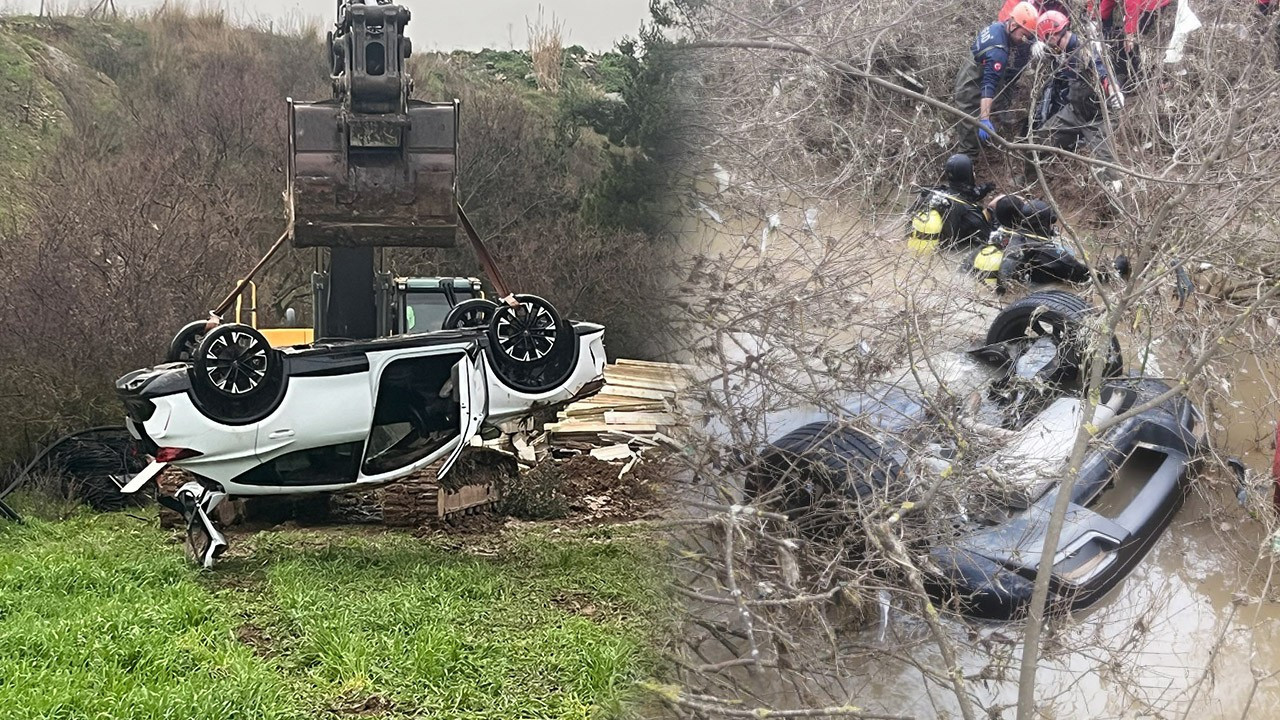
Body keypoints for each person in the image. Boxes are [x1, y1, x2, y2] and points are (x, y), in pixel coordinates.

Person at [1030, 10, 1125, 191]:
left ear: (1054, 36)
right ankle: (1030, 183)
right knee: (1039, 140)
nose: (1047, 44)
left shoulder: (1084, 50)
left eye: (1046, 39)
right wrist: (1038, 46)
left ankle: (1119, 203)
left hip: (1098, 117)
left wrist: (1115, 92)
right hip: (1074, 111)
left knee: (1107, 168)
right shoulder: (1059, 48)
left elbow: (1103, 72)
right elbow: (1051, 54)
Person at [952, 1, 1041, 159]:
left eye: (1028, 36)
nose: (1024, 40)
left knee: (997, 96)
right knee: (969, 137)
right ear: (1013, 25)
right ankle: (964, 165)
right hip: (970, 88)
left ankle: (992, 133)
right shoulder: (998, 52)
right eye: (1024, 35)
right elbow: (988, 86)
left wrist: (1035, 41)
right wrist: (984, 119)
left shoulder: (999, 27)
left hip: (973, 69)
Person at [1089, 0, 1172, 92]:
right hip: (1138, 5)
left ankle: (1142, 77)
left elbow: (1133, 3)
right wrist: (1099, 18)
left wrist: (1129, 34)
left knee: (1131, 42)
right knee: (1120, 39)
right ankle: (1125, 77)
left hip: (1151, 5)